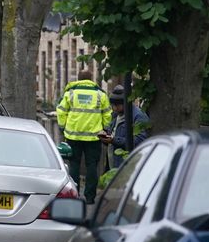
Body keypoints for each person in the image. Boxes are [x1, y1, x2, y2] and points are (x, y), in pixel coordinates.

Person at [55, 69, 109, 203]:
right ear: (91, 79)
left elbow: (61, 111)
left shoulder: (70, 93)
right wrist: (105, 129)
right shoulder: (100, 94)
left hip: (73, 136)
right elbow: (107, 114)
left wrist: (62, 127)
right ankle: (90, 197)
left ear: (78, 79)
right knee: (92, 166)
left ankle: (74, 196)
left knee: (74, 165)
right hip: (94, 137)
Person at [100, 86, 150, 170]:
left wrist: (114, 140)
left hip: (127, 166)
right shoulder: (116, 115)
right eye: (113, 105)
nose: (114, 108)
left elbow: (139, 141)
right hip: (113, 165)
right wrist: (105, 136)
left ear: (126, 103)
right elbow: (113, 134)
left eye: (117, 105)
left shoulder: (138, 117)